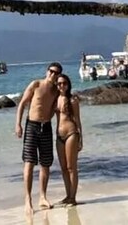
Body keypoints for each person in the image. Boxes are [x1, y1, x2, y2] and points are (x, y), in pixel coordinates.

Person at [16, 61, 63, 215]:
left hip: (46, 127)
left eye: (56, 73)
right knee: (29, 163)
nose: (53, 75)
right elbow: (22, 103)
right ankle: (28, 200)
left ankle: (42, 197)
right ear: (46, 71)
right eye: (51, 71)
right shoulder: (36, 84)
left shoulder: (56, 91)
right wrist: (18, 125)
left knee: (46, 163)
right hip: (32, 126)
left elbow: (59, 109)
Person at [55, 74, 82, 206]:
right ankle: (67, 195)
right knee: (63, 168)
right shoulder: (55, 99)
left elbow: (77, 119)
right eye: (59, 83)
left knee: (72, 167)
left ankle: (73, 197)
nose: (62, 86)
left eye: (64, 83)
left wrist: (81, 138)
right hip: (59, 136)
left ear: (68, 84)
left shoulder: (73, 100)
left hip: (71, 133)